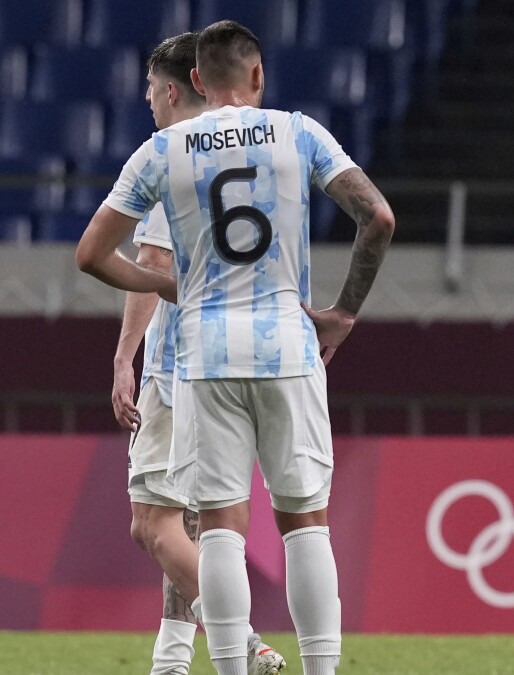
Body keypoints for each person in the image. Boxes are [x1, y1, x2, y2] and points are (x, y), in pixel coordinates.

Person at [77, 20, 395, 675]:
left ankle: (226, 665)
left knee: (220, 526)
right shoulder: (298, 131)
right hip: (288, 347)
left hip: (205, 352)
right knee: (306, 522)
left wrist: (170, 286)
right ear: (257, 76)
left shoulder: (166, 148)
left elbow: (91, 254)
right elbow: (378, 217)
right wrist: (342, 314)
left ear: (195, 80)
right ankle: (322, 669)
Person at [110, 31, 286, 675]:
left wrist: (125, 356)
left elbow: (152, 261)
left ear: (177, 87)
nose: (148, 103)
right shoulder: (256, 150)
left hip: (178, 363)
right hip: (244, 356)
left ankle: (243, 643)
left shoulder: (173, 154)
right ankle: (173, 659)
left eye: (153, 91)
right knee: (186, 526)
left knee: (151, 526)